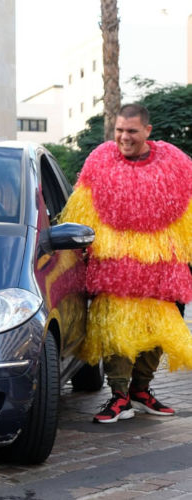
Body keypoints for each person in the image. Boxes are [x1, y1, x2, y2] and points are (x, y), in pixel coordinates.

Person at [61, 103, 192, 424]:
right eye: (119, 130)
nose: (124, 137)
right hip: (115, 274)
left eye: (131, 131)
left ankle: (141, 391)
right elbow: (82, 215)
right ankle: (119, 396)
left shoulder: (174, 164)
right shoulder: (100, 162)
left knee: (157, 335)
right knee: (116, 334)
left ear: (147, 131)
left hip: (162, 275)